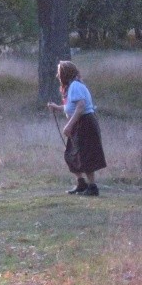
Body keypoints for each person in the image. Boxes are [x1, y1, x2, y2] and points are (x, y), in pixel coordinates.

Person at [46, 60, 106, 196]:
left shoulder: (76, 86)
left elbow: (80, 107)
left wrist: (69, 125)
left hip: (85, 123)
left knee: (86, 155)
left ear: (65, 74)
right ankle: (81, 183)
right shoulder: (72, 86)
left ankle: (92, 187)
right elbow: (72, 107)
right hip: (80, 123)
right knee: (71, 155)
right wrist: (57, 107)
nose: (57, 76)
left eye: (59, 73)